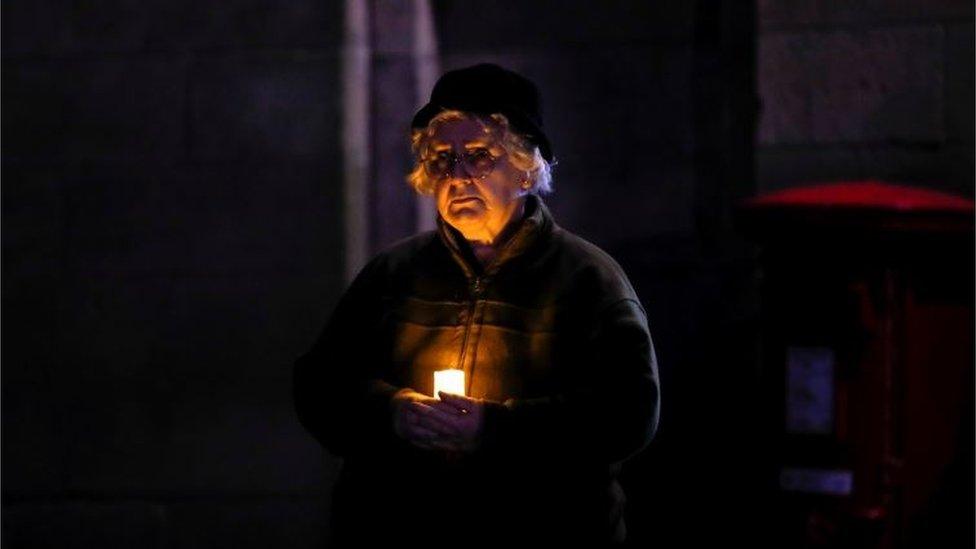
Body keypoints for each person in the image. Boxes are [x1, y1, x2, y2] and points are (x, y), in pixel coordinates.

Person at [293, 63, 660, 547]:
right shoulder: (393, 272)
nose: (458, 175)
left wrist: (494, 427)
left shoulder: (588, 279)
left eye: (480, 156)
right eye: (443, 160)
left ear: (526, 169)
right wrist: (393, 412)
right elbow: (319, 385)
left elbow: (628, 414)